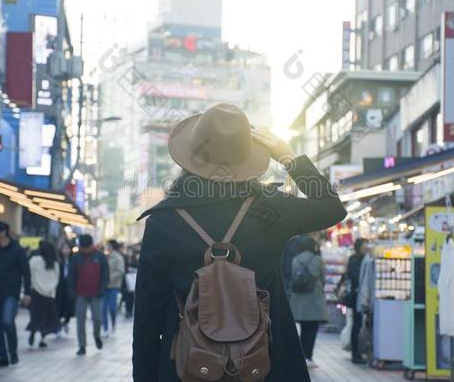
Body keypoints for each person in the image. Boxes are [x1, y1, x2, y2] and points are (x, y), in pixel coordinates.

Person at [132, 104, 347, 382]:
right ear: (247, 159)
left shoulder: (164, 221)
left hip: (186, 365)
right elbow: (331, 207)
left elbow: (147, 317)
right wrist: (289, 158)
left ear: (191, 157)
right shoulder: (271, 209)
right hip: (264, 363)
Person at [0, 221, 31, 368]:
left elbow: (26, 272)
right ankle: (2, 357)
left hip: (11, 292)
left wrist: (27, 292)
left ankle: (13, 352)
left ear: (2, 233)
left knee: (7, 321)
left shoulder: (17, 250)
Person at [289, 235, 329, 368]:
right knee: (312, 330)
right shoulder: (317, 259)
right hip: (314, 298)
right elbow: (323, 279)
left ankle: (300, 357)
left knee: (303, 329)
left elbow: (293, 276)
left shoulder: (295, 260)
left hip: (299, 299)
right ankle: (308, 357)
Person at [69, 234, 109, 356]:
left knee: (97, 319)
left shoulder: (100, 256)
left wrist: (102, 289)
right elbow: (71, 276)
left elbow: (105, 274)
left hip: (96, 293)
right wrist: (71, 292)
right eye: (83, 247)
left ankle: (96, 335)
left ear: (91, 245)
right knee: (80, 320)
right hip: (80, 293)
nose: (85, 250)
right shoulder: (76, 257)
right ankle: (82, 346)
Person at [26, 241, 60, 348]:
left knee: (35, 316)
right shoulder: (54, 264)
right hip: (49, 295)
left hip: (36, 292)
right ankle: (42, 338)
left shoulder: (34, 260)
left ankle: (32, 332)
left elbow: (29, 274)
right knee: (46, 317)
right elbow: (56, 279)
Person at [347, 237, 369, 364]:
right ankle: (355, 353)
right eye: (364, 245)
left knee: (359, 324)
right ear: (359, 246)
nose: (366, 247)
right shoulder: (354, 260)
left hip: (361, 296)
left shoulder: (365, 259)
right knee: (356, 325)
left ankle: (359, 352)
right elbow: (356, 277)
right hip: (356, 296)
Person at [101, 239, 124, 337]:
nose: (106, 247)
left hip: (114, 286)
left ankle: (113, 324)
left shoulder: (118, 258)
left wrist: (110, 277)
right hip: (104, 286)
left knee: (112, 308)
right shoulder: (104, 257)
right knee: (103, 308)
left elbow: (120, 271)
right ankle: (105, 328)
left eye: (108, 245)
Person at [55, 242, 74, 333]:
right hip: (60, 288)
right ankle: (58, 324)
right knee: (59, 306)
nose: (66, 250)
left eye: (67, 248)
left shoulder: (73, 261)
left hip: (70, 288)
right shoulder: (58, 261)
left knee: (69, 306)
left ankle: (66, 321)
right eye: (64, 248)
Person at [120, 244, 138, 318]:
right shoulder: (123, 258)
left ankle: (131, 311)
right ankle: (128, 311)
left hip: (133, 280)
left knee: (133, 297)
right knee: (127, 297)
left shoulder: (136, 259)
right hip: (126, 281)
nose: (129, 253)